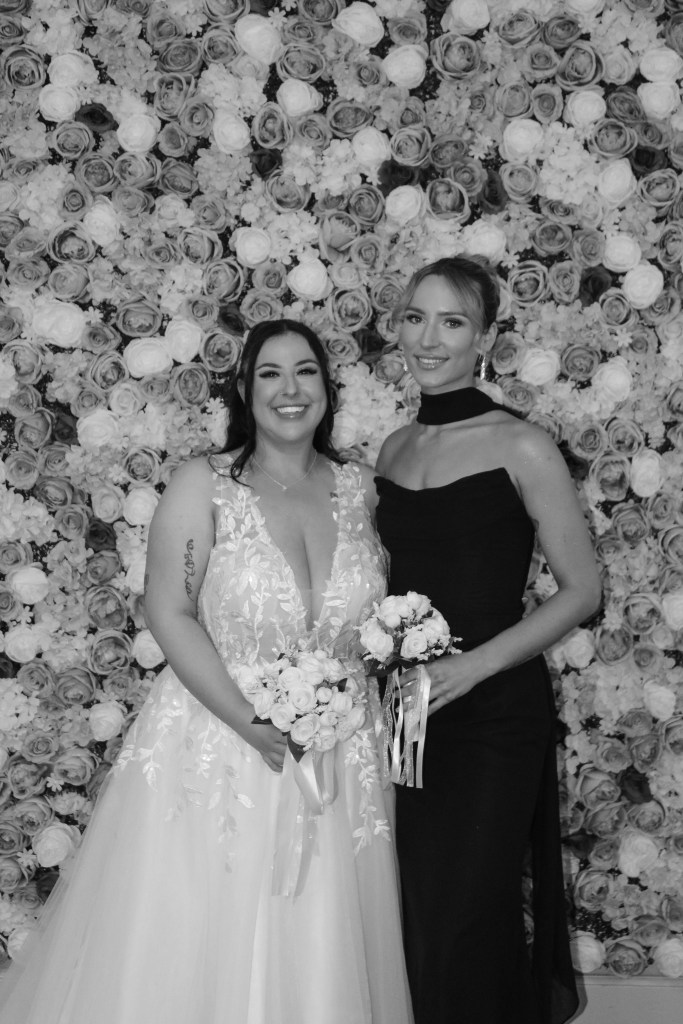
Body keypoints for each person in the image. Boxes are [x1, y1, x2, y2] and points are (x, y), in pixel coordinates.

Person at [0, 319, 413, 1024]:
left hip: (342, 757)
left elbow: (393, 621)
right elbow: (170, 611)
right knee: (199, 937)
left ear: (326, 387)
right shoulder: (206, 484)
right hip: (219, 744)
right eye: (270, 373)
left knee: (324, 937)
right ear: (244, 390)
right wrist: (250, 724)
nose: (289, 389)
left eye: (305, 371)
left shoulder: (365, 491)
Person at [374, 256, 602, 1024]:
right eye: (415, 318)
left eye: (452, 322)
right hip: (409, 713)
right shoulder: (392, 450)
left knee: (468, 915)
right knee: (417, 911)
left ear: (484, 338)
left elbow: (582, 590)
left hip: (494, 710)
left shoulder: (522, 445)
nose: (428, 339)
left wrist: (472, 668)